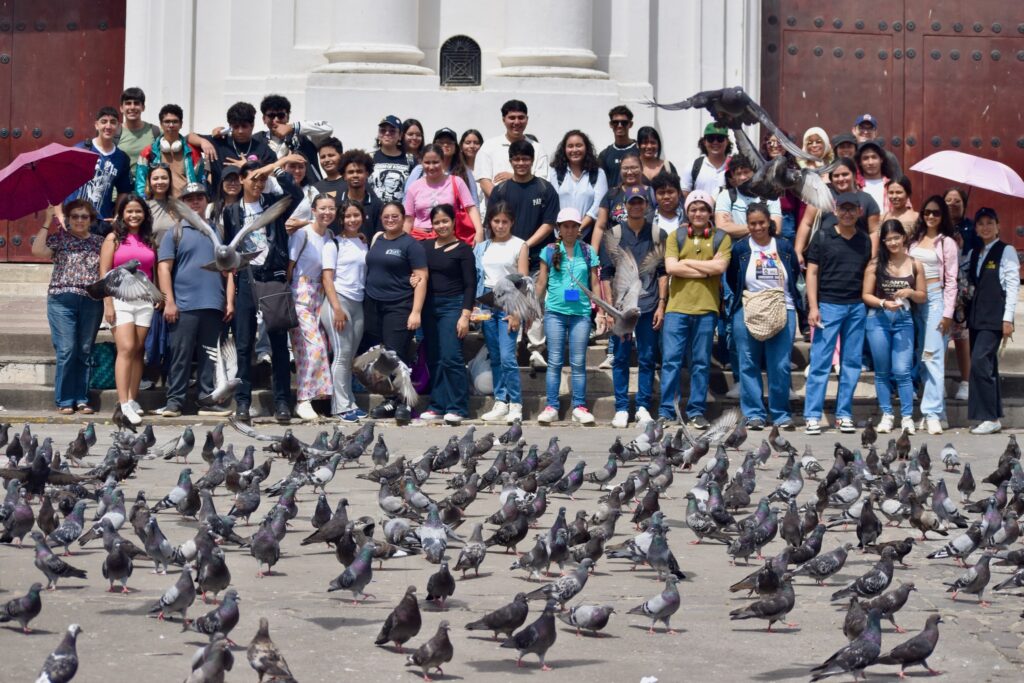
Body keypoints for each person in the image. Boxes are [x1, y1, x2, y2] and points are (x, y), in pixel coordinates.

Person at [223, 156, 305, 424]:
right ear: (241, 181)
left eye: (261, 179)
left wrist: (273, 168)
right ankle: (243, 402)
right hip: (246, 278)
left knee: (279, 343)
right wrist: (231, 292)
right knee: (244, 343)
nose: (258, 183)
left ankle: (282, 402)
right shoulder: (231, 211)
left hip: (273, 276)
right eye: (253, 178)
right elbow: (228, 251)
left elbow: (296, 193)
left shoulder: (273, 204)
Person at [155, 183, 236, 417]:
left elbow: (229, 268)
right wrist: (169, 301)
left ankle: (207, 400)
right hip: (184, 305)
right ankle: (174, 402)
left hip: (214, 304)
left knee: (210, 357)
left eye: (200, 197)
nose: (195, 202)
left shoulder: (218, 232)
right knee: (179, 356)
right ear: (182, 204)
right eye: (189, 199)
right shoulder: (174, 232)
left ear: (206, 201)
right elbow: (163, 269)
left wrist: (229, 300)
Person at [726, 202, 801, 430]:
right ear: (747, 225)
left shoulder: (785, 247)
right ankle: (754, 413)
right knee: (748, 362)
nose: (757, 227)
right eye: (752, 223)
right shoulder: (740, 249)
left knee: (779, 365)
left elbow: (794, 272)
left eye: (761, 222)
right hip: (748, 307)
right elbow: (732, 278)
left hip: (782, 306)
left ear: (770, 222)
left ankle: (780, 413)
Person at [659, 191, 731, 428]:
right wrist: (705, 268)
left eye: (702, 209)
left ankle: (696, 411)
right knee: (671, 361)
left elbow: (720, 267)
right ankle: (667, 410)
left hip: (706, 308)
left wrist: (686, 263)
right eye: (693, 209)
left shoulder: (721, 238)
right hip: (676, 308)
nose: (698, 213)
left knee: (700, 362)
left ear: (710, 212)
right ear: (687, 212)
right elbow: (671, 267)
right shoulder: (675, 236)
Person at [802, 192, 873, 435]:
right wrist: (813, 307)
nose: (847, 213)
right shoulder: (823, 236)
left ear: (859, 211)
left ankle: (844, 414)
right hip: (828, 306)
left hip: (856, 307)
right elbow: (811, 273)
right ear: (835, 210)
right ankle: (812, 415)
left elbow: (867, 273)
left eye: (852, 208)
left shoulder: (865, 241)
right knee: (821, 363)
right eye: (843, 208)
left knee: (851, 363)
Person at [488, 139, 560, 370]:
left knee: (535, 301)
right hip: (507, 258)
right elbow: (492, 223)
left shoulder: (544, 188)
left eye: (525, 159)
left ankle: (536, 350)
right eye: (517, 159)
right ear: (511, 160)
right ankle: (512, 346)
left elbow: (549, 223)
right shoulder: (501, 190)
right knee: (510, 302)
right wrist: (513, 248)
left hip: (538, 255)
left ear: (532, 161)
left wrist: (525, 245)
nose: (521, 163)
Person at [600, 188, 667, 428]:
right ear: (625, 206)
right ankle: (620, 408)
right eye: (632, 203)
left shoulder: (658, 234)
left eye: (641, 203)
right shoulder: (615, 234)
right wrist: (608, 309)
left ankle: (642, 407)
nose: (637, 207)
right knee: (620, 357)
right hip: (622, 309)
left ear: (647, 205)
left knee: (648, 357)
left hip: (649, 305)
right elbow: (606, 274)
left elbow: (662, 273)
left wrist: (661, 304)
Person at [32, 201, 104, 414]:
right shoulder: (60, 238)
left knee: (84, 349)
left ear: (90, 220)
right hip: (61, 300)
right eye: (75, 216)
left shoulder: (100, 242)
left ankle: (81, 398)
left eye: (84, 216)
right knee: (67, 349)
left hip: (91, 300)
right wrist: (47, 221)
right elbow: (38, 251)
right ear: (68, 219)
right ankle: (64, 400)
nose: (79, 220)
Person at [364, 202, 428, 424]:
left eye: (395, 216)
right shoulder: (377, 239)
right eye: (386, 216)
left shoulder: (411, 245)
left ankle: (405, 403)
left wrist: (416, 312)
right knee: (382, 355)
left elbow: (421, 279)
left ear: (403, 218)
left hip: (399, 306)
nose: (390, 220)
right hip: (373, 305)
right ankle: (390, 398)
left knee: (397, 355)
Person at [535, 208, 600, 425]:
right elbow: (542, 282)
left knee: (578, 361)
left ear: (579, 229)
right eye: (566, 226)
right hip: (555, 312)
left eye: (574, 225)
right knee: (554, 361)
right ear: (559, 229)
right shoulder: (549, 250)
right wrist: (532, 307)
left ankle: (579, 406)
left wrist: (600, 311)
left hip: (581, 313)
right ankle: (552, 405)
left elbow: (595, 283)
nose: (570, 230)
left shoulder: (589, 251)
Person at [862, 219, 926, 434]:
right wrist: (883, 302)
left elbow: (923, 296)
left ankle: (907, 416)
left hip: (904, 319)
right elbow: (866, 295)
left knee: (902, 370)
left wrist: (910, 293)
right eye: (888, 239)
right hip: (878, 319)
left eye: (896, 237)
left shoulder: (915, 264)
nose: (892, 242)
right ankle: (887, 414)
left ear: (904, 238)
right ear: (883, 241)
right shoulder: (875, 264)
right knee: (881, 371)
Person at [99, 195, 158, 425]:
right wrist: (108, 303)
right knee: (126, 347)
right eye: (129, 211)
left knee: (138, 350)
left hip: (144, 301)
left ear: (145, 214)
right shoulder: (113, 239)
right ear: (122, 214)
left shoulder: (149, 240)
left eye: (138, 211)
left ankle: (133, 399)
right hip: (119, 299)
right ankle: (122, 403)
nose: (134, 215)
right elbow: (104, 273)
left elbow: (153, 270)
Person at [419, 205, 476, 423]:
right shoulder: (424, 247)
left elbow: (470, 285)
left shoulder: (463, 249)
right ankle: (437, 405)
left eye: (445, 221)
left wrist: (465, 315)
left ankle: (458, 407)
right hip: (429, 308)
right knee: (435, 358)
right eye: (436, 222)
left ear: (453, 222)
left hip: (453, 307)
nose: (441, 226)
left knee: (452, 357)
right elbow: (418, 273)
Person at [965, 207, 1019, 434]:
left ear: (998, 226)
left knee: (980, 362)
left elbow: (1012, 285)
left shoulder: (1006, 251)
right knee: (986, 366)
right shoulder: (975, 252)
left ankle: (990, 417)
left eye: (990, 222)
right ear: (976, 228)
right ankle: (989, 415)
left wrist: (1008, 318)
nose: (985, 227)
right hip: (977, 317)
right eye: (981, 223)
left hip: (995, 318)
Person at [474, 201, 529, 423]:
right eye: (496, 221)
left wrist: (517, 312)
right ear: (490, 223)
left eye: (505, 221)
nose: (500, 225)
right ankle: (500, 401)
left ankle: (516, 404)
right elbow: (478, 277)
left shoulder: (520, 245)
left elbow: (523, 281)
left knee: (508, 356)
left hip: (509, 302)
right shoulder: (482, 247)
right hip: (487, 302)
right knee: (495, 356)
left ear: (512, 222)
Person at [908, 195, 959, 435]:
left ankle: (931, 413)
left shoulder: (946, 242)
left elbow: (951, 281)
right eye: (927, 211)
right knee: (921, 358)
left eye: (936, 213)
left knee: (933, 358)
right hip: (914, 302)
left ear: (942, 217)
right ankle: (940, 413)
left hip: (936, 301)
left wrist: (947, 312)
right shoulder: (914, 240)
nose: (930, 216)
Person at [287, 195, 335, 421]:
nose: (327, 213)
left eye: (331, 209)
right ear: (313, 210)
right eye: (322, 208)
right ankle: (303, 399)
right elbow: (290, 266)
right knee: (312, 348)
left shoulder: (331, 236)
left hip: (321, 296)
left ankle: (314, 397)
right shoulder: (302, 234)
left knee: (318, 346)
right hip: (300, 293)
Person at [321, 200, 369, 421]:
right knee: (341, 355)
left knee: (349, 356)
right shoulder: (333, 244)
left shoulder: (363, 242)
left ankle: (349, 401)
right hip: (338, 302)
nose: (352, 220)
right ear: (342, 219)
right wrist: (337, 308)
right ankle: (340, 406)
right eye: (348, 216)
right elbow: (327, 278)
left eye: (356, 215)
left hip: (358, 303)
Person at [795, 158, 880, 264]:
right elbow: (807, 223)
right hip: (824, 258)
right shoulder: (821, 195)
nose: (841, 179)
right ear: (831, 178)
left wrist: (872, 259)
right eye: (836, 176)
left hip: (857, 258)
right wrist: (798, 251)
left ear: (854, 175)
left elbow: (874, 231)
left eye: (845, 174)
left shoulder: (867, 200)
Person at [62, 107, 133, 231]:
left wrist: (117, 215)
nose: (108, 126)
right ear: (96, 125)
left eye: (113, 122)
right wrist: (60, 215)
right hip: (74, 220)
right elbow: (59, 183)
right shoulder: (80, 150)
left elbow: (124, 191)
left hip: (101, 222)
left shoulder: (121, 158)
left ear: (118, 126)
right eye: (104, 121)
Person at [403, 144, 482, 243]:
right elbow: (408, 219)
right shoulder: (413, 187)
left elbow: (471, 208)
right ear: (421, 163)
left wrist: (479, 232)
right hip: (420, 239)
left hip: (449, 238)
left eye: (435, 162)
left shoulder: (457, 182)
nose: (431, 167)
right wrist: (403, 243)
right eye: (427, 162)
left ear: (443, 161)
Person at [187, 101, 276, 188]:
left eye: (244, 126)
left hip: (250, 202)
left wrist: (248, 168)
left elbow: (273, 179)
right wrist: (203, 142)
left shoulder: (263, 150)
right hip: (220, 201)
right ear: (230, 126)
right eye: (236, 127)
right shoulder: (219, 141)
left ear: (252, 125)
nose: (240, 131)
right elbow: (189, 137)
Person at [475, 100, 549, 199]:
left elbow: (542, 183)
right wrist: (503, 206)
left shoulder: (538, 149)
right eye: (512, 118)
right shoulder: (489, 146)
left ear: (527, 119)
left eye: (521, 118)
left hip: (529, 209)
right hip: (498, 211)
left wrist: (514, 178)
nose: (517, 122)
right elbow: (484, 182)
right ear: (503, 119)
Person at [255, 94, 333, 183]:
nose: (276, 120)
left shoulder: (304, 136)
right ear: (264, 119)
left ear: (287, 117)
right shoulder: (256, 141)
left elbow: (328, 128)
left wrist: (293, 127)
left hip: (308, 192)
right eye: (271, 116)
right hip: (273, 194)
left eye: (281, 115)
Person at [548, 129, 608, 237]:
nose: (574, 150)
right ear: (564, 149)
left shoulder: (598, 173)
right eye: (570, 146)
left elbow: (598, 205)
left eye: (579, 145)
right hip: (559, 236)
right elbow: (551, 204)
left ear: (586, 148)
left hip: (587, 235)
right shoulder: (555, 173)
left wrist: (578, 228)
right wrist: (565, 230)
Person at [134, 104, 203, 197]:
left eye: (175, 122)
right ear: (161, 124)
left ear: (181, 124)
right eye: (167, 122)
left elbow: (200, 183)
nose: (171, 125)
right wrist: (147, 204)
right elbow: (140, 184)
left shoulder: (193, 152)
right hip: (158, 205)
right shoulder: (148, 152)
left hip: (185, 205)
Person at [946, 186, 975, 401]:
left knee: (961, 337)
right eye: (948, 200)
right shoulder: (938, 224)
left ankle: (965, 382)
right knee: (939, 338)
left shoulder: (971, 228)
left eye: (957, 201)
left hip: (961, 291)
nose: (952, 204)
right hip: (939, 288)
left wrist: (963, 247)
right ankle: (938, 382)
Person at [591, 151, 650, 252]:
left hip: (646, 251)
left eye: (634, 167)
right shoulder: (611, 194)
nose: (630, 172)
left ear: (642, 168)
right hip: (616, 253)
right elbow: (600, 227)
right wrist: (593, 258)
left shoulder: (652, 193)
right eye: (625, 168)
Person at [405, 128, 479, 205]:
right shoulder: (419, 170)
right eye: (440, 142)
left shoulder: (465, 171)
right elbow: (407, 198)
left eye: (449, 142)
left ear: (456, 148)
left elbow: (474, 201)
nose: (445, 145)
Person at [761, 130, 801, 242]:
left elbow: (799, 203)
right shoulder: (759, 167)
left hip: (786, 219)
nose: (775, 146)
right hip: (761, 214)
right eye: (770, 142)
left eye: (779, 142)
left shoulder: (794, 170)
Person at [369, 114, 416, 203]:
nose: (387, 133)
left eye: (392, 131)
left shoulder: (411, 160)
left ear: (400, 135)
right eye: (383, 130)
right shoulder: (369, 158)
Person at [115, 87, 160, 179]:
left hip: (148, 190)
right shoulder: (113, 133)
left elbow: (182, 140)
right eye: (128, 103)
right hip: (120, 192)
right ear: (121, 108)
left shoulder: (156, 131)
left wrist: (198, 141)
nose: (132, 107)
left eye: (136, 103)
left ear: (143, 107)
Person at [682, 123, 731, 197]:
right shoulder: (693, 166)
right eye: (710, 138)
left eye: (720, 138)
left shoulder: (734, 165)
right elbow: (685, 194)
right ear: (704, 142)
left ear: (727, 141)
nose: (715, 142)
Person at [851, 113, 903, 178]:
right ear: (854, 130)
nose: (866, 132)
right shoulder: (850, 156)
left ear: (875, 133)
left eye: (870, 128)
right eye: (861, 128)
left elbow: (899, 182)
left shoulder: (888, 157)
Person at [598, 105, 637, 187]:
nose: (619, 126)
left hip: (636, 198)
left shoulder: (639, 150)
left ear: (630, 124)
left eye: (624, 123)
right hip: (613, 199)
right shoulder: (604, 155)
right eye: (615, 122)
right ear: (610, 124)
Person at [282, 157, 321, 232]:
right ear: (283, 167)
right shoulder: (275, 189)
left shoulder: (312, 191)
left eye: (301, 167)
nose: (297, 171)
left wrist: (303, 224)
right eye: (292, 166)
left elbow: (320, 219)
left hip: (304, 240)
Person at [856, 140, 893, 216]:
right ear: (860, 162)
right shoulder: (855, 186)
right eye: (865, 158)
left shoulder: (892, 185)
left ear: (881, 159)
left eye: (874, 157)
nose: (870, 162)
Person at [144, 164, 178, 245]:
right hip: (155, 255)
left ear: (170, 181)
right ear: (149, 181)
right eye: (155, 179)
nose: (160, 182)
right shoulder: (144, 206)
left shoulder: (178, 206)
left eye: (164, 178)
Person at [460, 129, 484, 202]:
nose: (472, 146)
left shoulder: (486, 168)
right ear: (461, 146)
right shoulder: (457, 169)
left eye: (476, 143)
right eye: (468, 143)